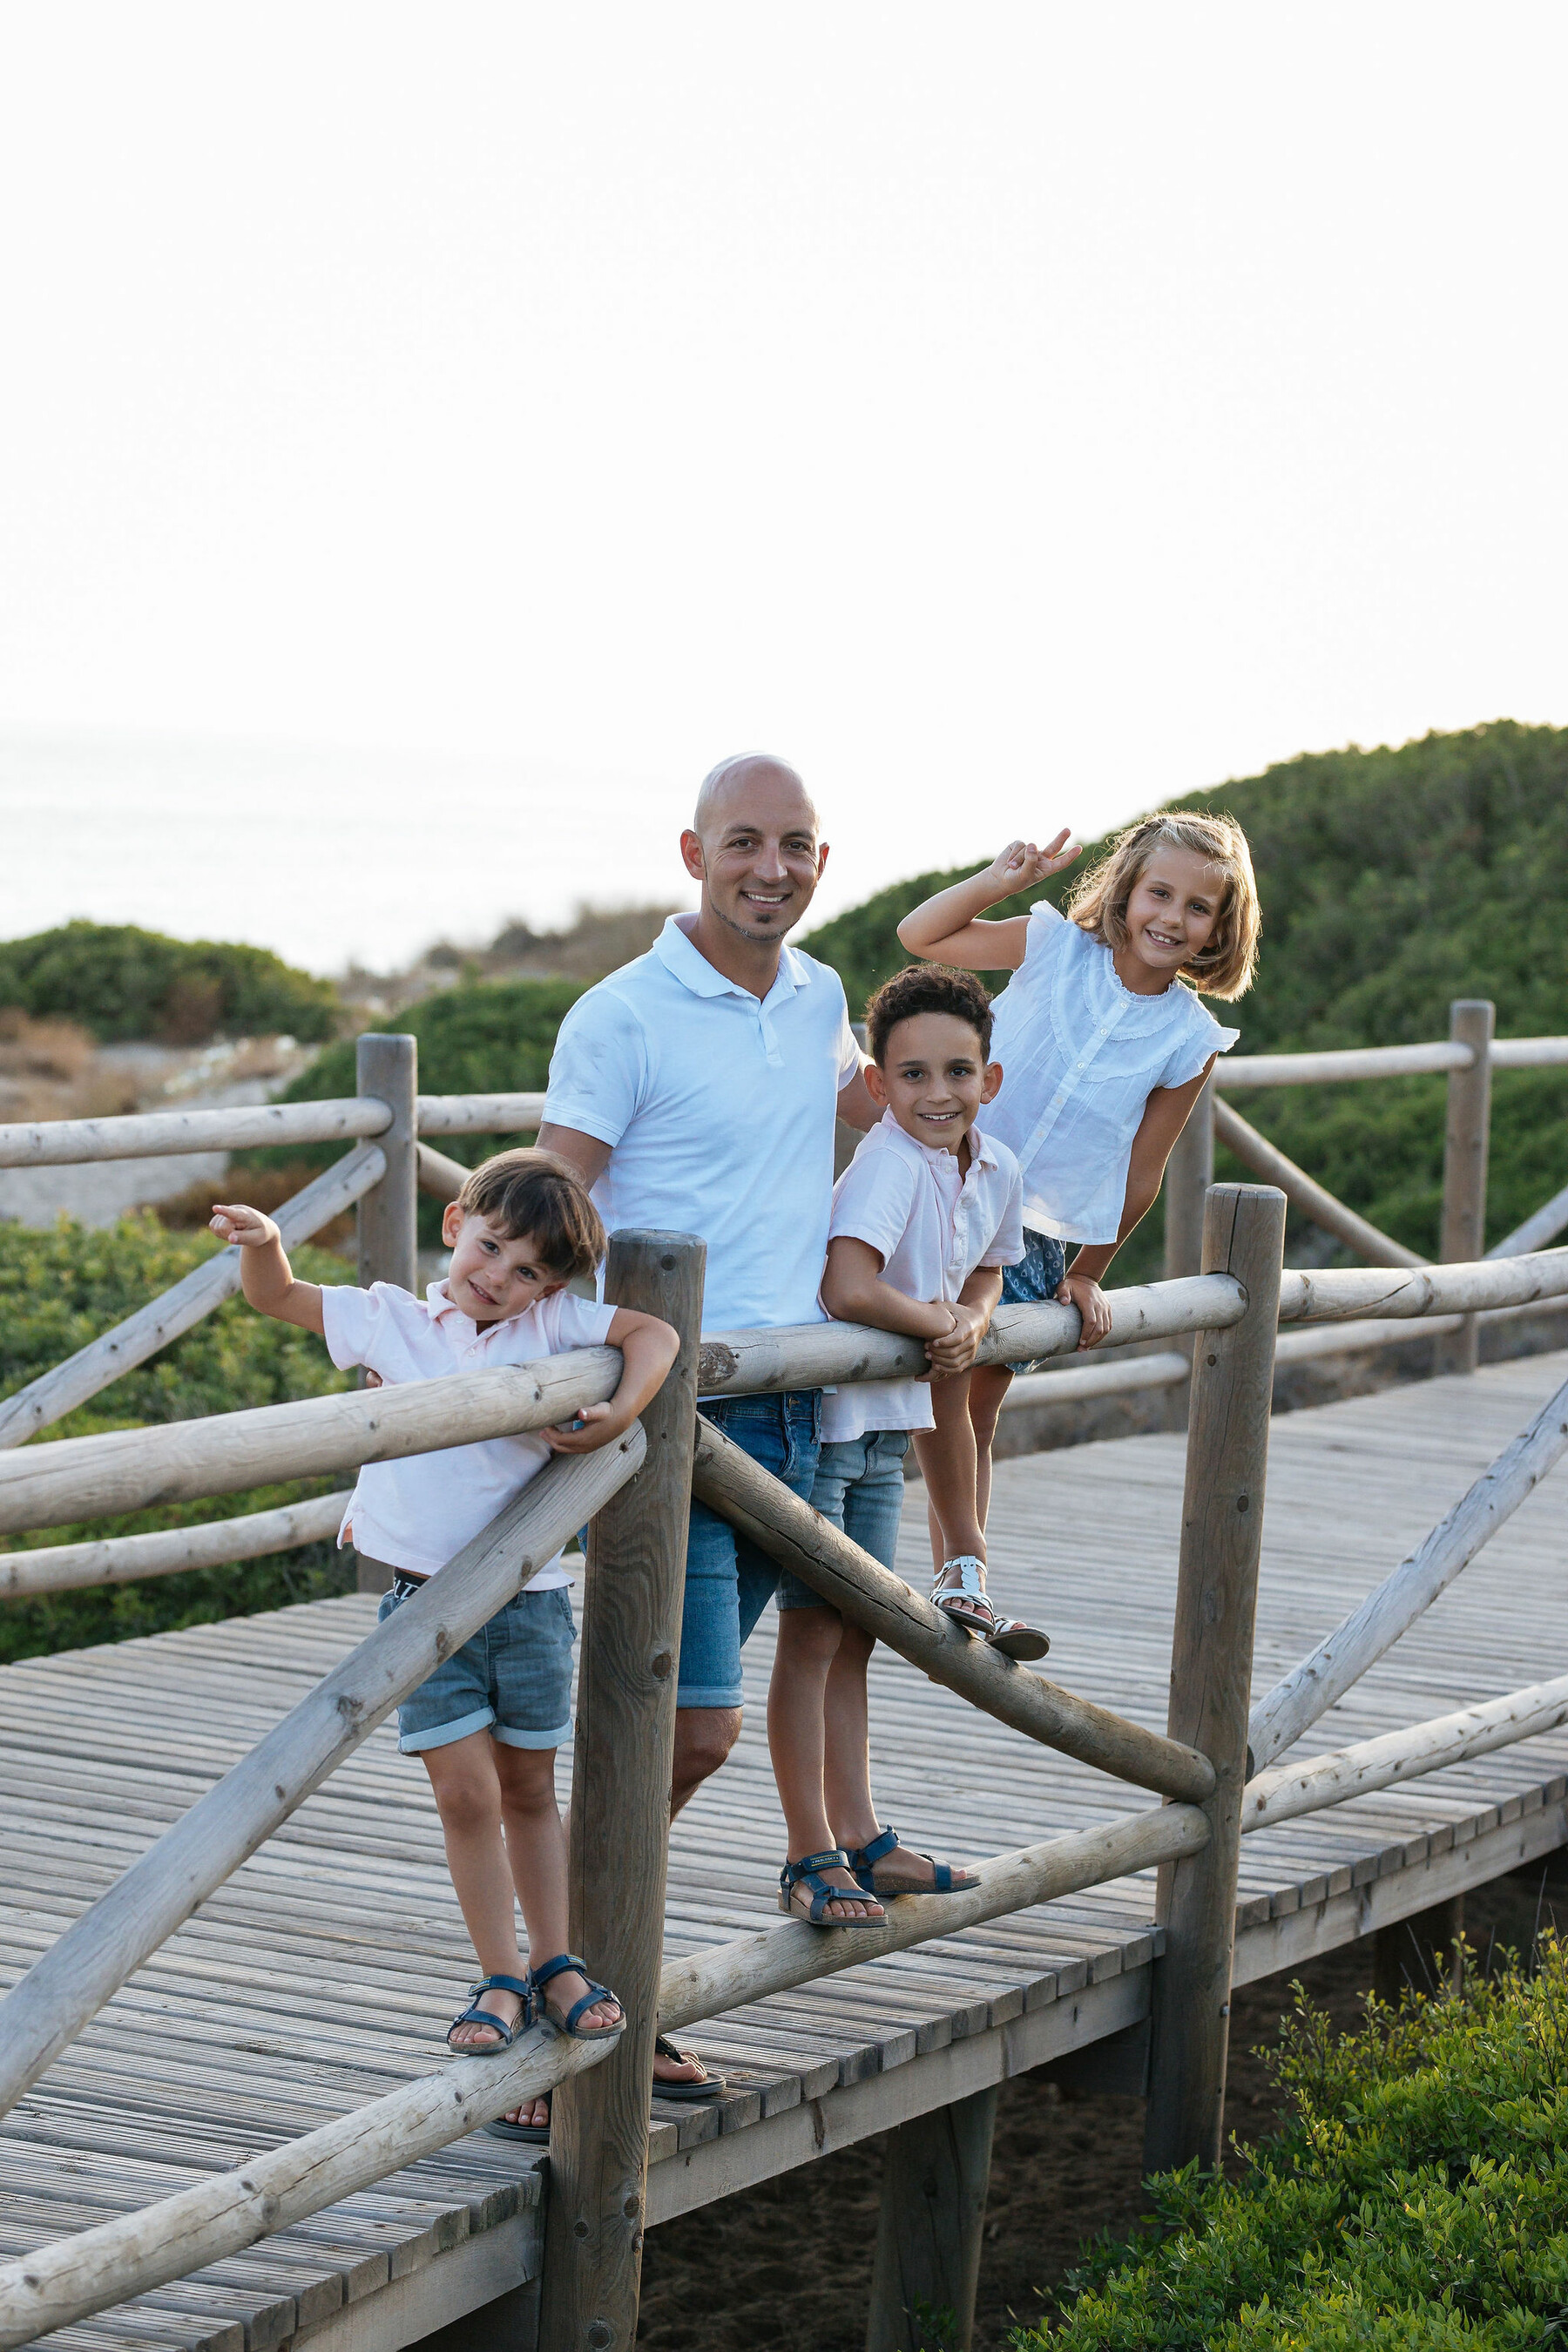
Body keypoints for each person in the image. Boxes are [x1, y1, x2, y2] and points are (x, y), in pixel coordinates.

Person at [208, 1149, 679, 2145]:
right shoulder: (393, 1317)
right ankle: (499, 1973)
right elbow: (281, 1298)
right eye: (491, 1247)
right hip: (424, 1608)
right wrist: (266, 1245)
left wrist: (619, 1410)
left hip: (530, 1599)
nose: (499, 1278)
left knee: (527, 1792)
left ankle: (555, 1960)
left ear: (552, 1290)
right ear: (458, 1219)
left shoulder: (552, 1327)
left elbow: (655, 1331)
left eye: (528, 1274)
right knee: (464, 1796)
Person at [538, 753, 888, 1946]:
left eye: (794, 845)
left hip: (794, 1406)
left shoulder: (822, 997)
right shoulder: (623, 1013)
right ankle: (570, 1972)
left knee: (673, 1726)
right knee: (685, 1727)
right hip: (670, 1413)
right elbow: (549, 1201)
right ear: (694, 854)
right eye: (742, 842)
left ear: (822, 863)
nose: (770, 868)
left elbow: (874, 1106)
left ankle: (585, 1973)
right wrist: (474, 1338)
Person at [896, 812, 1260, 1600]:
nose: (1172, 918)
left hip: (1037, 1236)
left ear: (1219, 930)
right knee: (923, 1388)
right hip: (941, 1188)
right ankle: (957, 1562)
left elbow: (1142, 1172)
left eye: (1198, 908)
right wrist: (1003, 881)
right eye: (1160, 893)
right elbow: (922, 934)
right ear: (1127, 891)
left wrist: (1091, 1273)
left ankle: (962, 1577)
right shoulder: (1053, 946)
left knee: (974, 1402)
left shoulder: (1189, 1039)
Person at [768, 963, 1038, 1924]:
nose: (938, 1094)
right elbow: (848, 1286)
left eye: (957, 1073)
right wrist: (936, 1321)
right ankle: (812, 1850)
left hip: (894, 1423)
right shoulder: (886, 1161)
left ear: (989, 1080)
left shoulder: (996, 1165)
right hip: (834, 1422)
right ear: (877, 1086)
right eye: (913, 1076)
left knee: (860, 1635)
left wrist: (969, 1314)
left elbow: (993, 1272)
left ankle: (865, 1836)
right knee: (812, 1634)